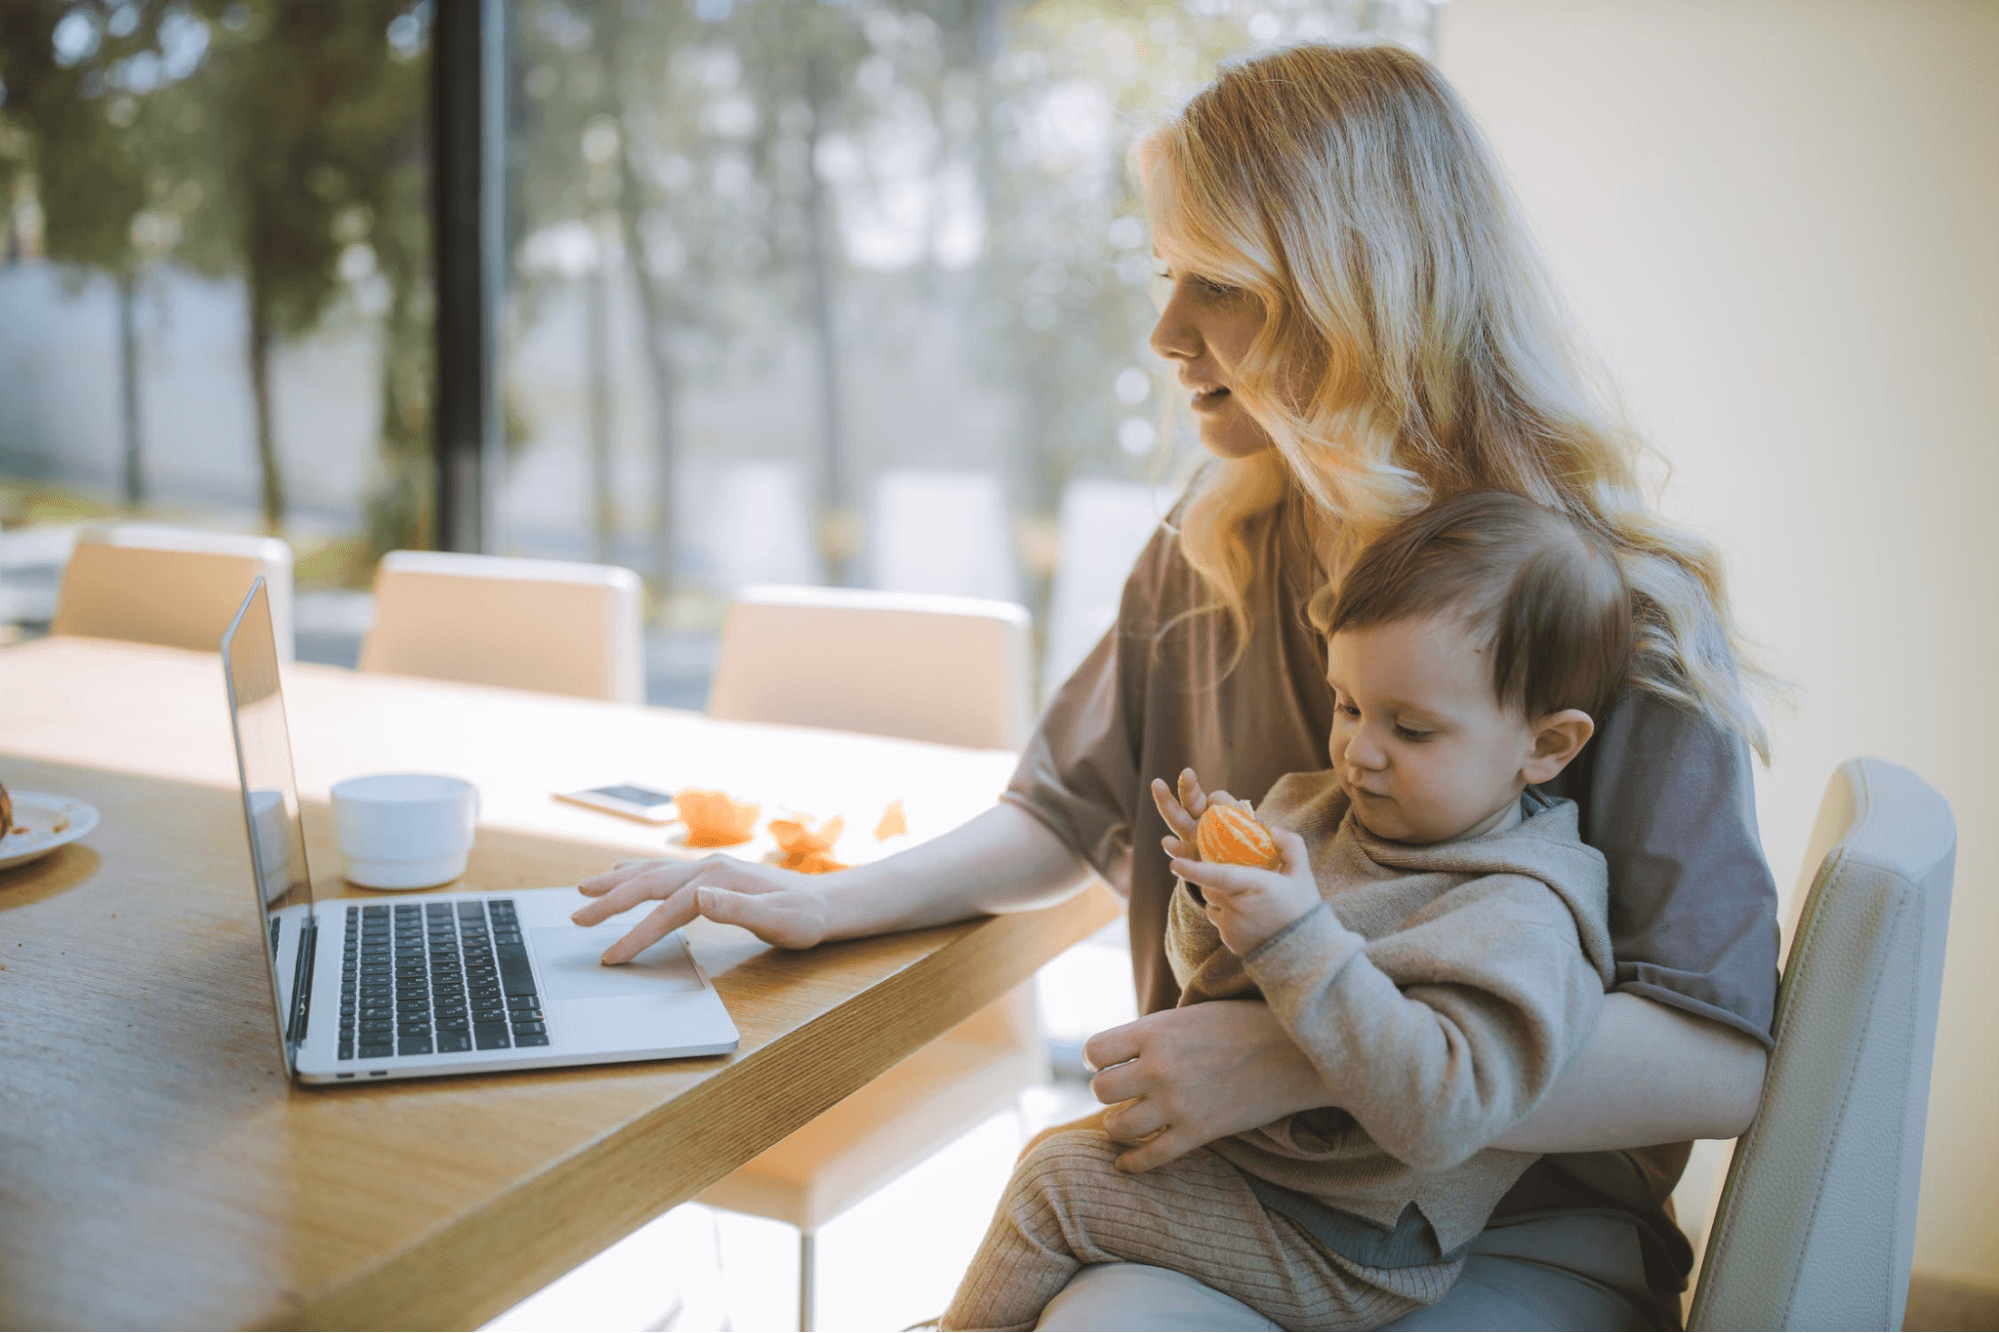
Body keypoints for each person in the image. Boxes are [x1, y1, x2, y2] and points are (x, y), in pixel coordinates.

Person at [574, 42, 1777, 1332]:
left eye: (1219, 285)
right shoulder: (1212, 545)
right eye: (1165, 277)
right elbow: (1066, 811)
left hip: (1513, 1232)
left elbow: (1715, 1059)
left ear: (1355, 292)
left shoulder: (1610, 611)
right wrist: (833, 900)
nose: (1164, 334)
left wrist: (1295, 1054)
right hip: (1252, 1189)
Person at [941, 491, 1633, 1332]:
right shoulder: (1317, 811)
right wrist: (1213, 893)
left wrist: (1297, 934)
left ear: (1546, 745)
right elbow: (1211, 980)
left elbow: (1445, 1111)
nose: (1357, 750)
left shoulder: (1523, 908)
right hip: (1257, 1173)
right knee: (1064, 1159)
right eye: (1346, 704)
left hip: (1351, 1241)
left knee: (1056, 1186)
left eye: (1411, 729)